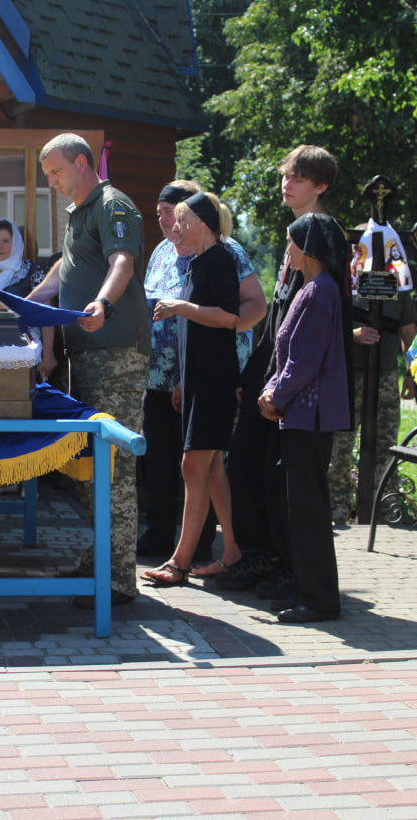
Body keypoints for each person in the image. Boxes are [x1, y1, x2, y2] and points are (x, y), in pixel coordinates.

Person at [27, 132, 150, 609]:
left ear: (82, 163)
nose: (53, 183)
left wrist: (102, 301)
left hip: (115, 351)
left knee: (113, 467)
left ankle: (118, 579)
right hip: (87, 353)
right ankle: (103, 558)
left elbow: (122, 260)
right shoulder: (79, 213)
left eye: (57, 172)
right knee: (91, 467)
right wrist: (28, 302)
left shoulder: (112, 203)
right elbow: (69, 266)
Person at [215, 145, 341, 597]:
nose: (288, 185)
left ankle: (291, 566)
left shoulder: (323, 240)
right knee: (246, 462)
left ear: (320, 186)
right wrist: (250, 378)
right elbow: (276, 322)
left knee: (284, 480)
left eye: (299, 178)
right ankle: (261, 554)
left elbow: (316, 330)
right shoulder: (296, 238)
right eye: (286, 176)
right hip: (269, 377)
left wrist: (279, 389)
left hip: (297, 392)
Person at [138, 180, 266, 563]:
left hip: (206, 373)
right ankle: (166, 537)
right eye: (160, 212)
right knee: (162, 460)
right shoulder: (163, 252)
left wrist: (214, 341)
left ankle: (197, 549)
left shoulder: (224, 254)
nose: (164, 220)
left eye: (171, 212)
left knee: (200, 464)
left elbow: (249, 309)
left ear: (194, 217)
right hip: (161, 378)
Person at [258, 213, 354, 623]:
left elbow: (305, 361)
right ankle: (307, 590)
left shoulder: (320, 291)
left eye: (291, 243)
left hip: (309, 415)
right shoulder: (310, 288)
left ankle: (320, 601)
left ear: (309, 247)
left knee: (309, 509)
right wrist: (272, 390)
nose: (287, 251)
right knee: (298, 507)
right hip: (298, 413)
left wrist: (274, 394)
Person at [328, 225, 417, 525]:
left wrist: (412, 374)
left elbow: (409, 333)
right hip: (349, 374)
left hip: (385, 375)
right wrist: (352, 334)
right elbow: (328, 323)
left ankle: (380, 507)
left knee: (385, 443)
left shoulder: (398, 285)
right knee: (340, 444)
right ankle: (337, 507)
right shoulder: (345, 281)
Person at [0, 218, 49, 496]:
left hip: (22, 355)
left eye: (6, 240)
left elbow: (46, 311)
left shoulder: (29, 271)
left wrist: (49, 352)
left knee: (21, 415)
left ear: (15, 243)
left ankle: (24, 480)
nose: (1, 246)